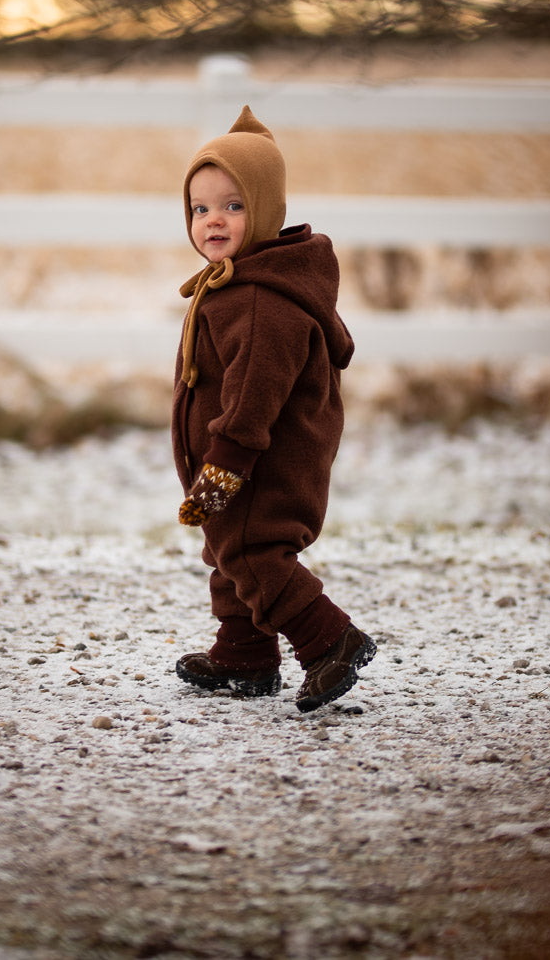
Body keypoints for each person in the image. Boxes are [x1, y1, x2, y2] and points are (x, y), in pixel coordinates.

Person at [172, 104, 376, 712]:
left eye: (233, 206)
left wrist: (225, 466)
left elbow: (252, 398)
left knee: (255, 553)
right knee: (226, 547)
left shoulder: (262, 300)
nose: (213, 221)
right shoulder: (236, 284)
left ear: (264, 211)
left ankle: (329, 639)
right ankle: (245, 655)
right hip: (243, 458)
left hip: (258, 460)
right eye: (199, 208)